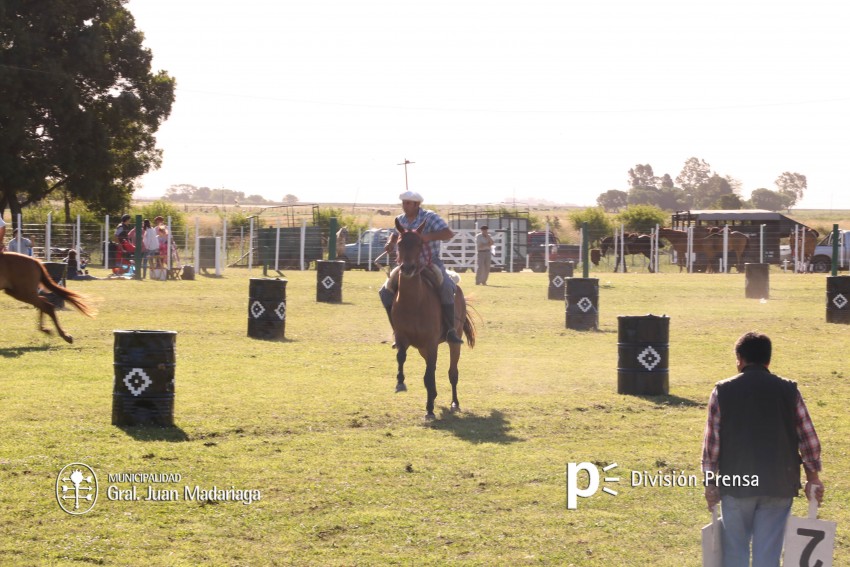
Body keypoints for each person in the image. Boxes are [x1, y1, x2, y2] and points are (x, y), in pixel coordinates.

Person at [701, 331, 824, 567]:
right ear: (768, 360)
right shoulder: (789, 391)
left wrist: (710, 482)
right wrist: (813, 477)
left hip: (736, 485)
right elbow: (808, 439)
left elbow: (711, 445)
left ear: (739, 359)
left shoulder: (721, 391)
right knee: (768, 555)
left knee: (734, 552)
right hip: (778, 483)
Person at [379, 191, 463, 344]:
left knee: (445, 287)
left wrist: (426, 237)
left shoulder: (430, 217)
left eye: (408, 203)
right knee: (384, 292)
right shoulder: (400, 219)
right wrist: (390, 243)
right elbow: (395, 234)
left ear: (417, 204)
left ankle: (450, 330)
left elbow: (448, 233)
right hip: (405, 264)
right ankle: (397, 332)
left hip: (430, 263)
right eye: (403, 203)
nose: (405, 206)